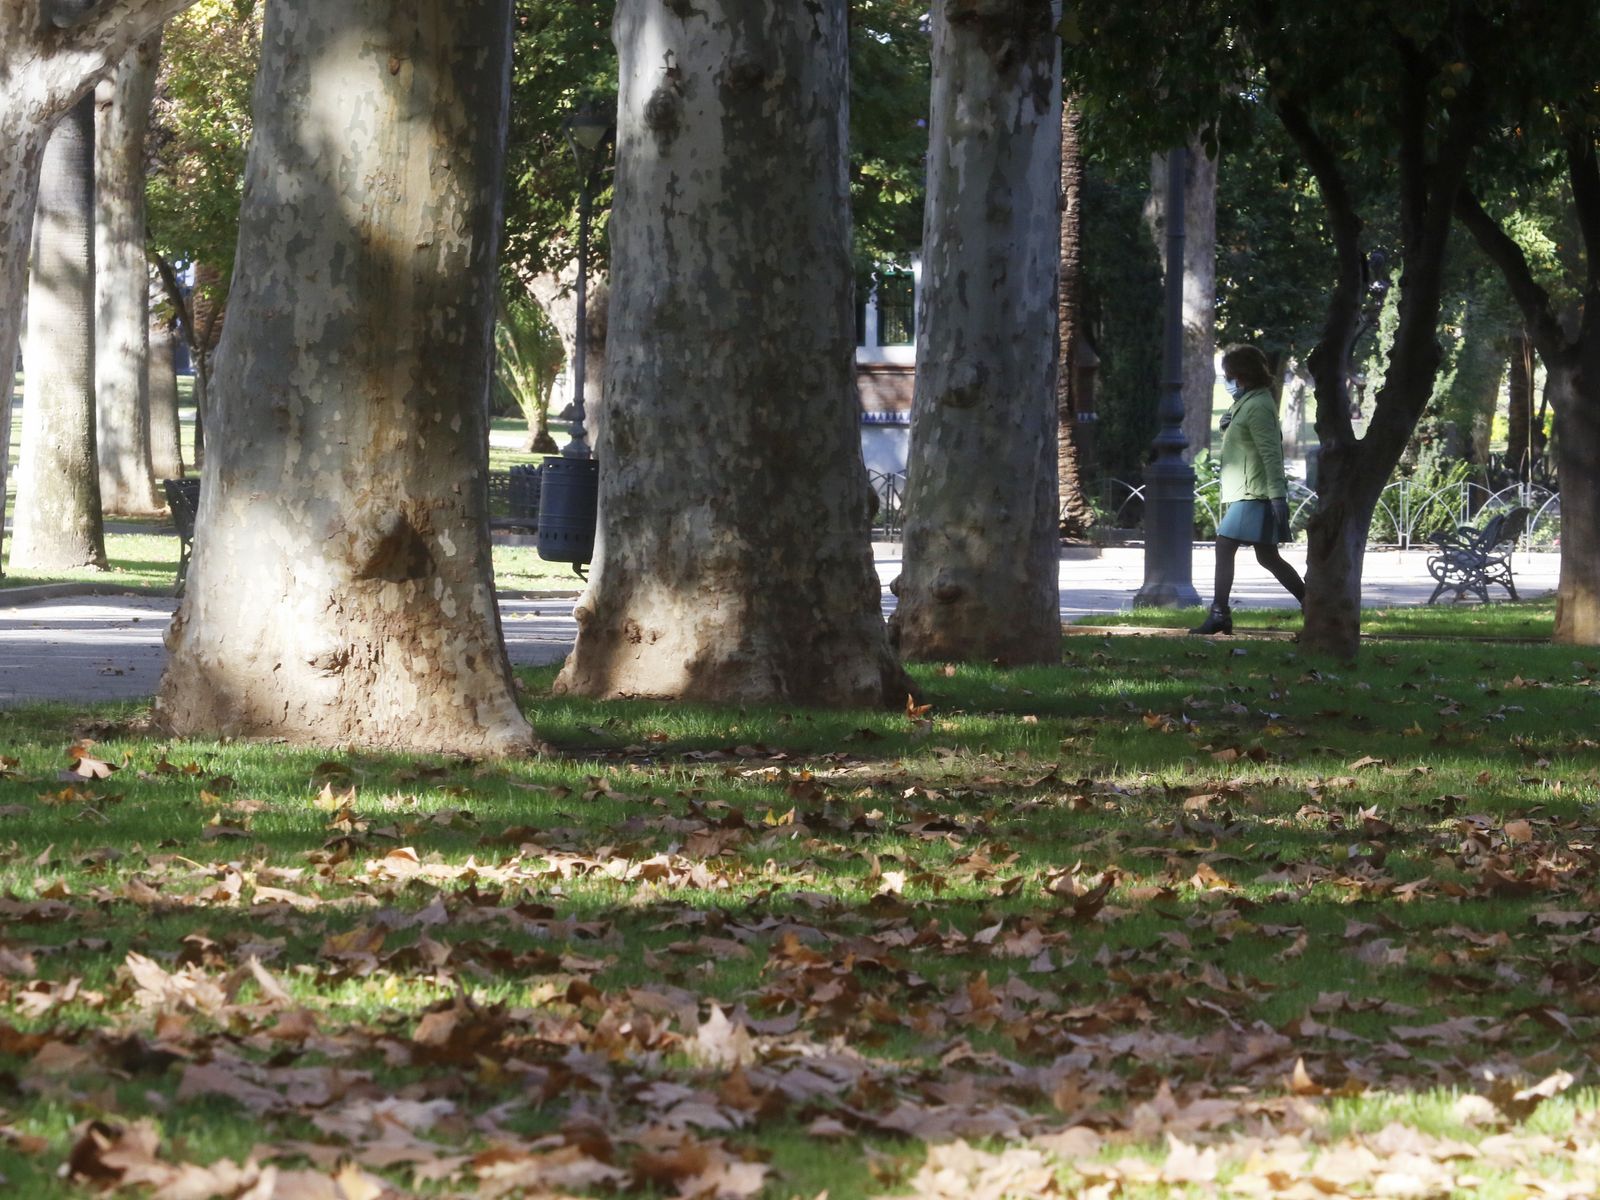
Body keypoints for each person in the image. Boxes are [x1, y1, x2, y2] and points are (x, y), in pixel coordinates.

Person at [1191, 344, 1305, 635]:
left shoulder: (1258, 405)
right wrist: (1226, 422)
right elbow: (1241, 438)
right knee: (1267, 557)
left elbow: (1271, 453)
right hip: (1247, 489)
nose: (1229, 381)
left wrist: (1278, 495)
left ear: (1241, 374)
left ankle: (1220, 613)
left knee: (1224, 545)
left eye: (1230, 375)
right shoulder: (1249, 401)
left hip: (1255, 492)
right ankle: (1313, 605)